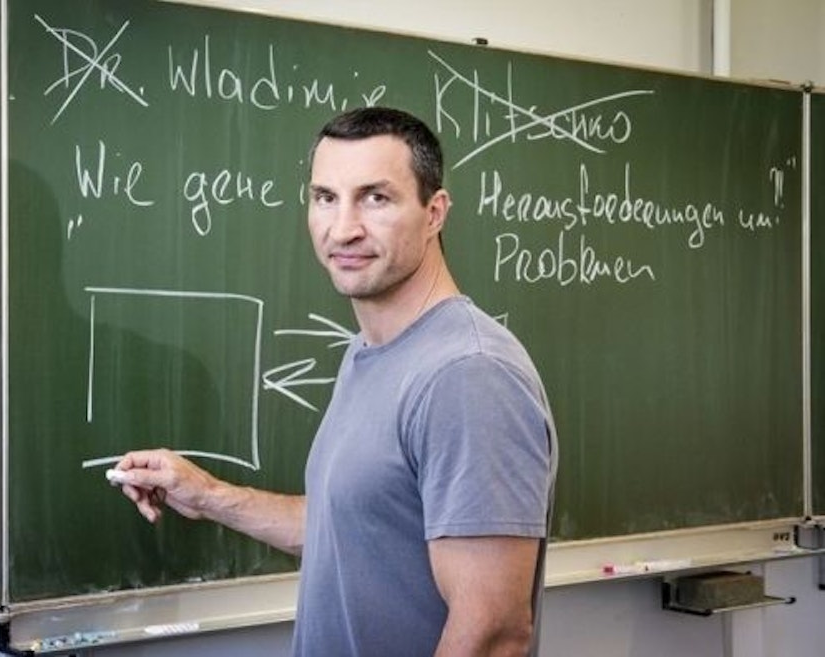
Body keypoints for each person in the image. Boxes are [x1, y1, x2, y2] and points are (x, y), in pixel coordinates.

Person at [113, 107, 557, 657]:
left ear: (434, 212)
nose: (343, 228)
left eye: (376, 198)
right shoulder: (368, 352)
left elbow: (493, 632)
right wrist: (208, 496)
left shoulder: (466, 373)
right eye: (326, 197)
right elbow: (350, 527)